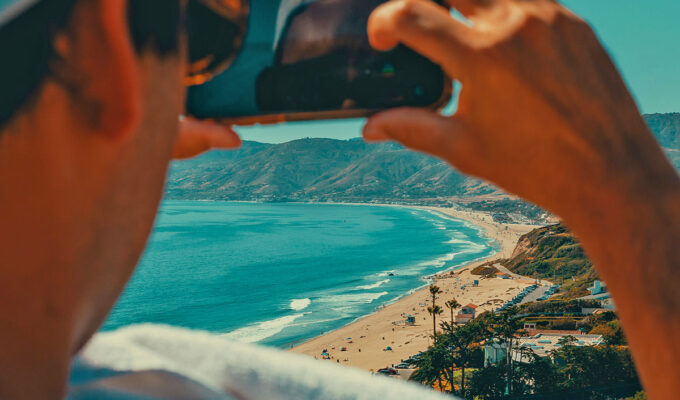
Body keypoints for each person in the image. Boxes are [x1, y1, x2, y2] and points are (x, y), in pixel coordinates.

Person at [0, 0, 676, 399]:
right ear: (98, 48)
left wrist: (106, 144)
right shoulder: (169, 367)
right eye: (201, 38)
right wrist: (634, 200)